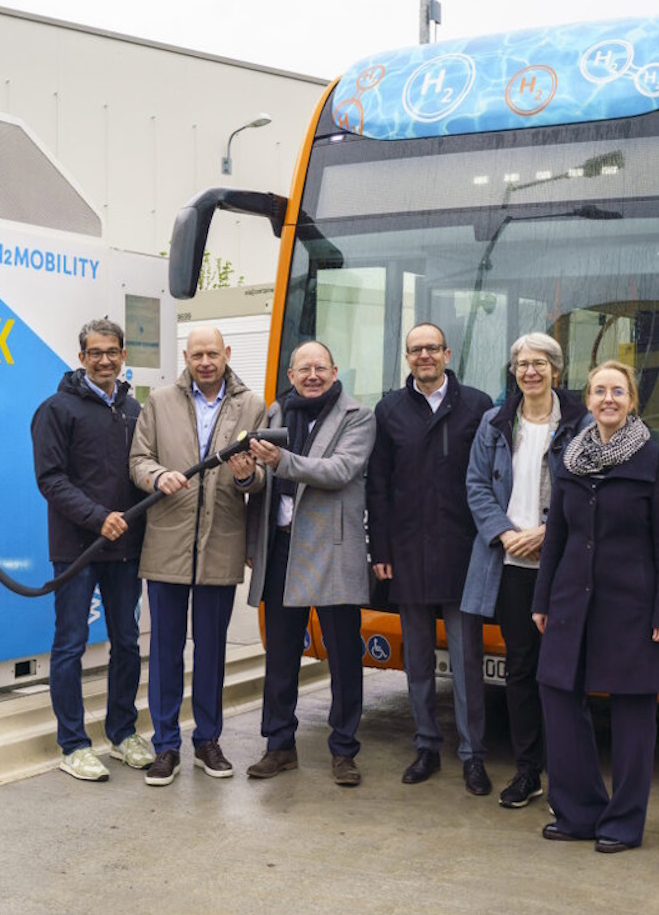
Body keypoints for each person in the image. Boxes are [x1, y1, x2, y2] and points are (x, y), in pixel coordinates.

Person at [532, 360, 659, 853]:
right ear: (589, 399)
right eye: (599, 391)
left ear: (631, 399)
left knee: (633, 714)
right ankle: (578, 812)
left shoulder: (655, 461)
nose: (608, 400)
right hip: (569, 602)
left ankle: (623, 822)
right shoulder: (571, 459)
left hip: (632, 607)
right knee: (557, 697)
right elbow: (556, 534)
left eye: (618, 391)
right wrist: (541, 599)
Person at [128, 327, 265, 786]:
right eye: (197, 354)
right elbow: (138, 459)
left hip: (221, 543)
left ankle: (208, 739)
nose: (205, 361)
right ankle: (165, 746)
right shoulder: (161, 402)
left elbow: (262, 477)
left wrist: (247, 478)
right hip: (167, 543)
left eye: (213, 353)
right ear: (185, 356)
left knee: (211, 652)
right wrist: (158, 475)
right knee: (165, 652)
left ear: (227, 353)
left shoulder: (253, 406)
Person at [462, 332, 588, 809]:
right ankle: (527, 771)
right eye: (521, 364)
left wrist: (548, 533)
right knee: (520, 669)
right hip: (510, 564)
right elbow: (475, 485)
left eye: (539, 363)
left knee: (563, 672)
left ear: (557, 370)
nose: (529, 372)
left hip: (562, 566)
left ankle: (568, 777)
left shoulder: (582, 424)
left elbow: (589, 492)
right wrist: (504, 532)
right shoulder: (494, 423)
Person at [368, 323, 494, 795]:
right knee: (417, 660)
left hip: (465, 554)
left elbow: (490, 478)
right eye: (416, 350)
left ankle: (472, 756)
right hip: (407, 553)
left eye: (431, 348)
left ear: (446, 354)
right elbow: (377, 487)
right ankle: (425, 746)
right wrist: (381, 549)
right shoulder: (389, 410)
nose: (424, 356)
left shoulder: (477, 407)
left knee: (467, 662)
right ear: (408, 358)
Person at [244, 341, 375, 787]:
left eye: (321, 368)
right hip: (281, 546)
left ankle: (343, 750)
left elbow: (340, 471)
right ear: (292, 375)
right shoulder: (275, 413)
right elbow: (263, 483)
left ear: (335, 372)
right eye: (304, 369)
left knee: (343, 655)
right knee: (281, 654)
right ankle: (279, 746)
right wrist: (249, 474)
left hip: (332, 550)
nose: (313, 375)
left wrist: (281, 461)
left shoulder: (358, 416)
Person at [30, 318, 155, 782]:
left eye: (112, 352)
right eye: (95, 353)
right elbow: (51, 480)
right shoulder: (56, 410)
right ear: (81, 358)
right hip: (78, 548)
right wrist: (97, 517)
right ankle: (74, 744)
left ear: (123, 356)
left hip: (126, 548)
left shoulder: (134, 410)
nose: (105, 360)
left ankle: (123, 734)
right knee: (71, 645)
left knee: (126, 641)